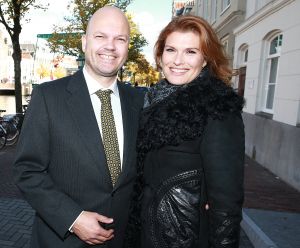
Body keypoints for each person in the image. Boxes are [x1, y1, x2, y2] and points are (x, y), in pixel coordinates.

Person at [13, 6, 144, 248]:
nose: (110, 46)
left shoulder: (139, 101)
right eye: (100, 36)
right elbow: (27, 170)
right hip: (62, 241)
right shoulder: (48, 97)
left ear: (127, 47)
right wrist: (72, 218)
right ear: (85, 42)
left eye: (120, 39)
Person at [124, 15, 245, 248]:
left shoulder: (217, 108)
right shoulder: (151, 100)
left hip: (181, 238)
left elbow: (226, 203)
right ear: (160, 55)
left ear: (205, 59)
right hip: (141, 233)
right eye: (171, 50)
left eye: (191, 52)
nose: (178, 60)